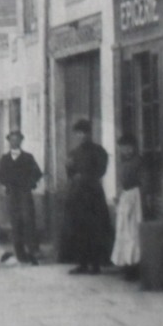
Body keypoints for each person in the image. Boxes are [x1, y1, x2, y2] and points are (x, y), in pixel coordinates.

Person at [62, 118, 113, 274]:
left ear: (90, 133)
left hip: (93, 194)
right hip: (78, 195)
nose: (82, 136)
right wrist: (69, 169)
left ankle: (96, 264)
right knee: (79, 228)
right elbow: (70, 174)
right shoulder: (73, 153)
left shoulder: (99, 151)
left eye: (85, 132)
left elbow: (101, 171)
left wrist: (85, 176)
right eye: (78, 133)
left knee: (95, 229)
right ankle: (82, 263)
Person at [0, 128, 44, 265]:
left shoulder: (28, 157)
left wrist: (30, 184)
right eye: (12, 139)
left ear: (21, 141)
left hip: (24, 193)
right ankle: (19, 252)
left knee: (28, 220)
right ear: (8, 141)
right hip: (12, 194)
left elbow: (37, 173)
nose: (14, 141)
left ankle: (33, 250)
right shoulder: (4, 159)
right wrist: (7, 184)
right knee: (15, 222)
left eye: (17, 139)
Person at [111, 133, 143, 281]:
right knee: (124, 231)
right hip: (126, 196)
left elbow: (142, 182)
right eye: (122, 148)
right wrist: (119, 195)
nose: (125, 151)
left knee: (133, 232)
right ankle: (126, 264)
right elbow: (122, 182)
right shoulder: (124, 163)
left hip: (135, 197)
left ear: (133, 148)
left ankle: (134, 265)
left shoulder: (138, 162)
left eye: (128, 148)